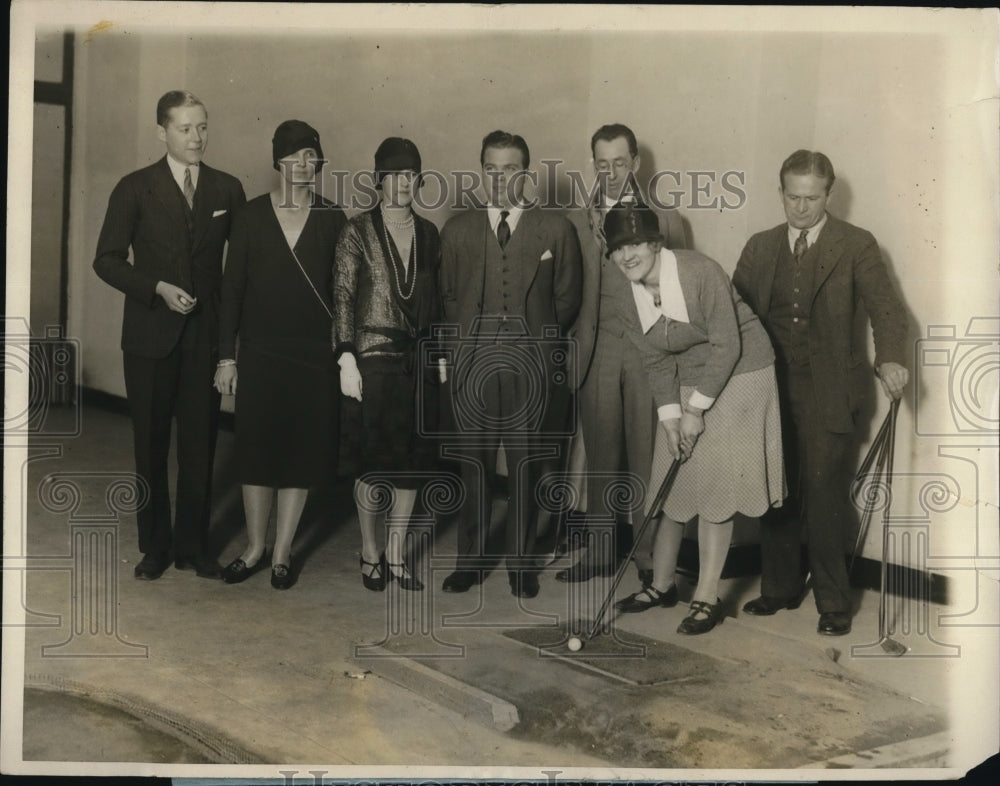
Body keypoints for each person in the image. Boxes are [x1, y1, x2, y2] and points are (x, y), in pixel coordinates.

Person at [733, 150, 909, 636]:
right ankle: (779, 589)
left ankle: (833, 601)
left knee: (826, 493)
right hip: (769, 384)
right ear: (781, 192)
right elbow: (735, 318)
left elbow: (887, 310)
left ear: (829, 195)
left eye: (812, 198)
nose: (802, 208)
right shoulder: (760, 247)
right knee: (776, 489)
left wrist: (890, 357)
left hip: (830, 389)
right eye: (793, 197)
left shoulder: (855, 245)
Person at [607, 203, 785, 634]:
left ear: (655, 243)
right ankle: (663, 585)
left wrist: (695, 411)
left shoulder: (699, 271)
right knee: (673, 472)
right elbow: (654, 359)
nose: (627, 255)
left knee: (716, 483)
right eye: (617, 248)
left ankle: (707, 596)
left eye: (636, 244)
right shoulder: (624, 294)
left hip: (743, 369)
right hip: (692, 369)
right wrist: (672, 418)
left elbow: (727, 346)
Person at [94, 90, 246, 581]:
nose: (196, 137)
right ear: (162, 131)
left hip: (205, 340)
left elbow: (237, 274)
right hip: (148, 338)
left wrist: (229, 351)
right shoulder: (134, 188)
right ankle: (154, 548)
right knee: (151, 447)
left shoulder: (227, 189)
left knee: (201, 447)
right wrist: (155, 288)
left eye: (202, 126)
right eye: (185, 128)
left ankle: (194, 549)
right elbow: (107, 260)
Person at [438, 130, 582, 599]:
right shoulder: (456, 229)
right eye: (491, 169)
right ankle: (470, 560)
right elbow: (450, 296)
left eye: (511, 169)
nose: (500, 179)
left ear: (526, 173)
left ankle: (522, 564)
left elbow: (566, 299)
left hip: (529, 366)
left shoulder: (555, 228)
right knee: (474, 466)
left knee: (525, 465)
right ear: (482, 171)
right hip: (473, 362)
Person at [215, 120, 346, 590]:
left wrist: (346, 357)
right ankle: (254, 548)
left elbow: (344, 294)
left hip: (314, 357)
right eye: (295, 158)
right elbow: (231, 293)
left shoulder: (334, 219)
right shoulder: (249, 217)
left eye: (312, 157)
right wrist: (226, 359)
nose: (304, 166)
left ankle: (283, 553)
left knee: (300, 455)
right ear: (278, 163)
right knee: (256, 452)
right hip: (259, 353)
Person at [560, 123, 688, 587]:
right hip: (596, 350)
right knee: (600, 457)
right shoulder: (579, 219)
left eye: (620, 162)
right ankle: (597, 552)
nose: (611, 172)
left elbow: (682, 296)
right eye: (602, 164)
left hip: (646, 354)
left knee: (645, 456)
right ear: (593, 166)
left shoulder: (667, 219)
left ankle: (648, 555)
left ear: (636, 163)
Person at [333, 137, 442, 592]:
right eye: (395, 175)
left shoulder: (429, 232)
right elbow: (341, 296)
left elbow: (436, 302)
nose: (403, 184)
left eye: (411, 175)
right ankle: (370, 550)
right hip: (371, 361)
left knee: (411, 461)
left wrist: (439, 357)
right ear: (379, 180)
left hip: (416, 363)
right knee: (373, 460)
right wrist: (345, 356)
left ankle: (396, 553)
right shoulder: (356, 231)